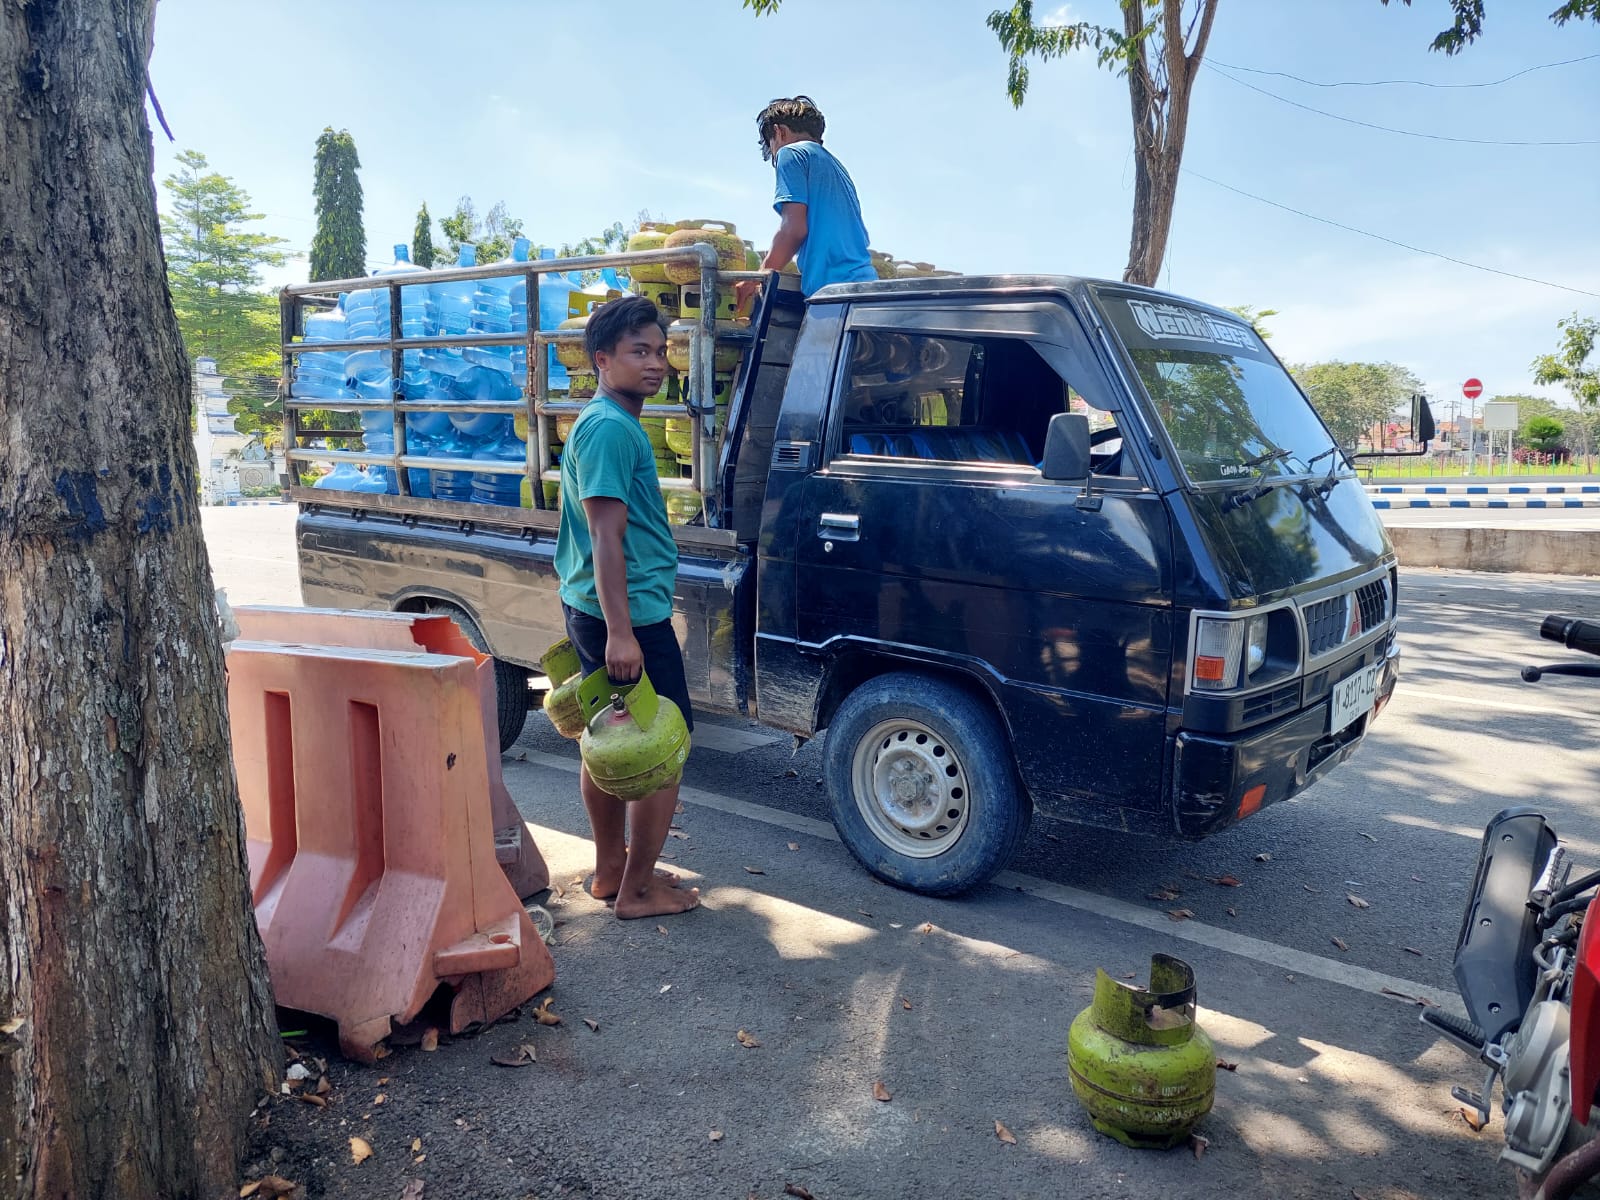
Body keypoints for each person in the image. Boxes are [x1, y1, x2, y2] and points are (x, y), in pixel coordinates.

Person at [555, 295, 699, 919]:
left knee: (610, 738)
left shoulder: (603, 420)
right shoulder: (612, 428)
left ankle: (612, 872)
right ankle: (637, 891)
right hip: (626, 616)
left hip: (600, 607)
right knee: (663, 746)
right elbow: (604, 537)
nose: (656, 363)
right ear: (601, 359)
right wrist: (622, 633)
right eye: (639, 351)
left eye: (661, 351)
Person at [735, 95, 877, 311]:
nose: (775, 155)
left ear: (779, 132)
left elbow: (793, 229)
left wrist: (756, 278)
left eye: (771, 148)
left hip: (834, 293)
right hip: (865, 287)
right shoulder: (836, 167)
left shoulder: (791, 153)